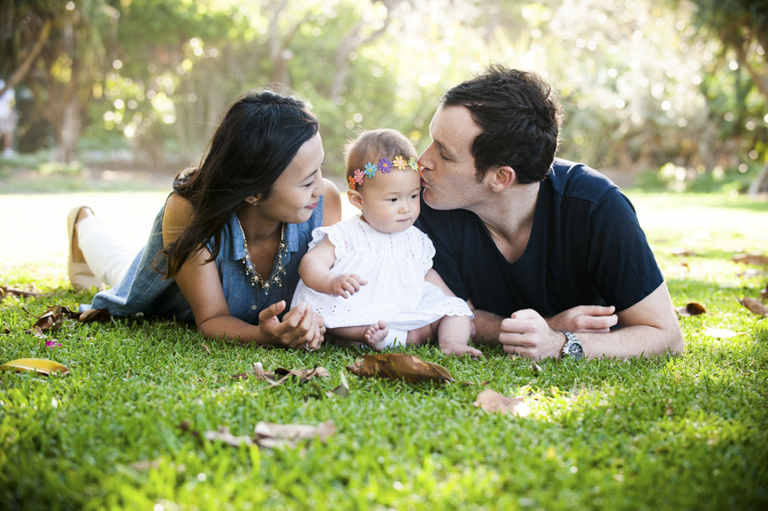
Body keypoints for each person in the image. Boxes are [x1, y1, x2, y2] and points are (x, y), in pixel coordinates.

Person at [415, 65, 684, 360]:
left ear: (501, 177)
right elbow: (452, 313)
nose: (422, 160)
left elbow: (666, 336)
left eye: (444, 153)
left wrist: (560, 343)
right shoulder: (426, 203)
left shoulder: (595, 208)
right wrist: (542, 328)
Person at [67, 90, 341, 349]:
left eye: (320, 169)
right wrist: (262, 336)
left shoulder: (325, 201)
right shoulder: (186, 211)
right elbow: (211, 318)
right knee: (120, 267)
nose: (320, 187)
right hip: (171, 289)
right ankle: (83, 223)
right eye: (306, 182)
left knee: (120, 260)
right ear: (253, 192)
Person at [291, 129, 481, 356]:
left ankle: (452, 344)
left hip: (402, 312)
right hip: (356, 311)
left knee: (455, 311)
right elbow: (310, 263)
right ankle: (360, 337)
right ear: (358, 200)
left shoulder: (416, 239)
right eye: (393, 199)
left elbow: (428, 276)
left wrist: (453, 303)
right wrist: (331, 282)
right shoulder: (347, 233)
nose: (406, 207)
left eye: (413, 196)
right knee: (331, 319)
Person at [0, 79, 17, 158]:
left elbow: (10, 103)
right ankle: (7, 151)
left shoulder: (9, 89)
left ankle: (7, 151)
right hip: (4, 115)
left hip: (6, 115)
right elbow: (11, 103)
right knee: (7, 133)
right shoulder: (9, 89)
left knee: (8, 133)